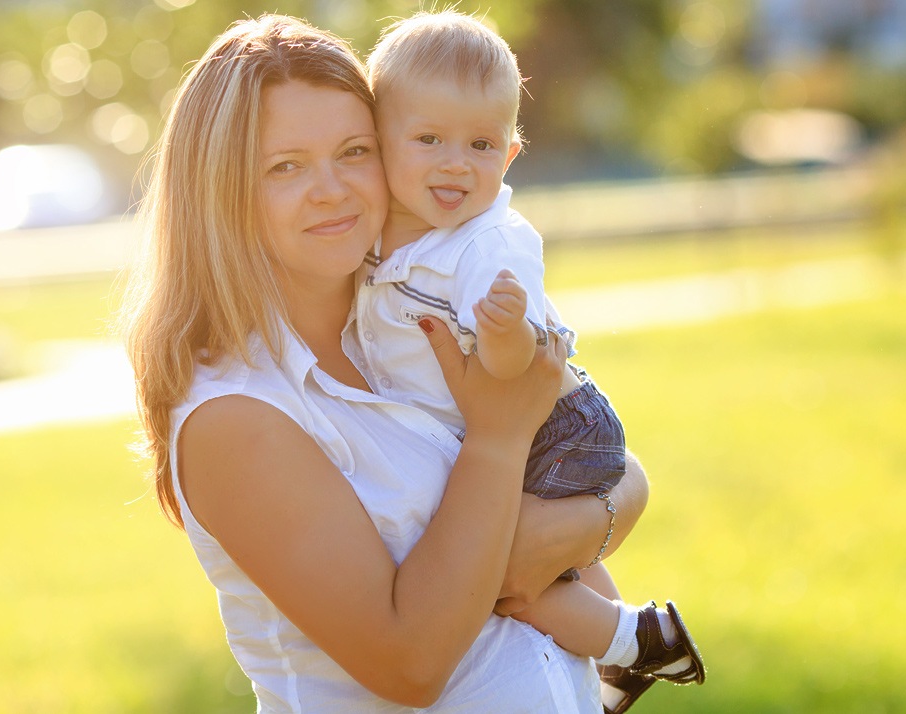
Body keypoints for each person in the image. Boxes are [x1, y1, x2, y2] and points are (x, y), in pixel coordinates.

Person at [123, 13, 654, 713]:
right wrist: (499, 442)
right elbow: (410, 664)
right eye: (286, 166)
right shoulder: (237, 414)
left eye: (354, 151)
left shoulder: (407, 308)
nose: (332, 188)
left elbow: (608, 459)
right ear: (218, 193)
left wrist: (590, 519)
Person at [361, 10, 704, 713]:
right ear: (379, 140)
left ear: (511, 154)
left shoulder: (488, 244)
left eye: (481, 144)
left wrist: (504, 331)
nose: (456, 163)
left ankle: (637, 642)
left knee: (495, 575)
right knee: (537, 559)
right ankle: (624, 639)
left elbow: (519, 369)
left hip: (555, 423)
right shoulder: (389, 233)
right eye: (428, 139)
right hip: (527, 422)